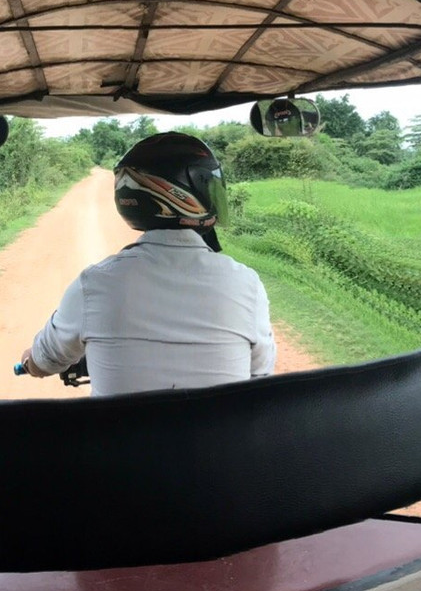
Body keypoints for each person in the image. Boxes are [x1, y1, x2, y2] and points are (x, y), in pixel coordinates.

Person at [20, 132, 275, 396]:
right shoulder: (246, 284)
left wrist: (30, 362)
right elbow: (260, 373)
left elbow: (46, 357)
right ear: (192, 192)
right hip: (221, 438)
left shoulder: (94, 285)